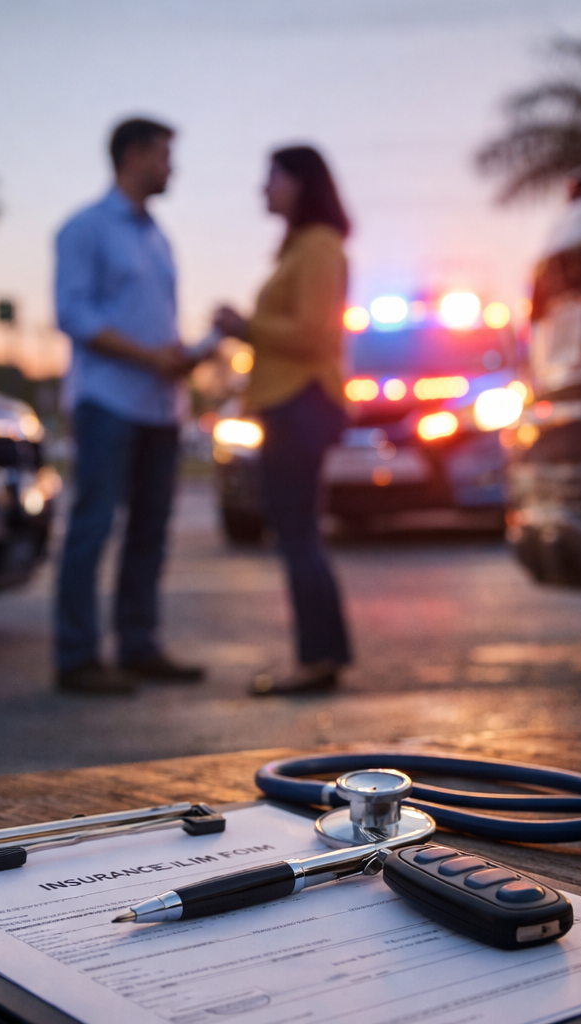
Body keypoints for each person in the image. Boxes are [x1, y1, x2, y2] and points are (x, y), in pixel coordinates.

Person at [52, 117, 206, 694]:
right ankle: (77, 656)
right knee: (92, 525)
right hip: (108, 402)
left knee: (150, 530)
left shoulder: (156, 236)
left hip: (160, 407)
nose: (173, 167)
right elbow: (75, 315)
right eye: (166, 155)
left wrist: (179, 356)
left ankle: (139, 644)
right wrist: (147, 356)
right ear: (134, 155)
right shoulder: (86, 229)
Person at [214, 145, 354, 695]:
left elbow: (315, 333)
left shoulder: (319, 248)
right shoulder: (300, 249)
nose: (263, 189)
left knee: (297, 534)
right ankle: (321, 655)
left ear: (301, 183)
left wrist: (246, 326)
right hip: (290, 402)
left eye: (271, 177)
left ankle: (316, 660)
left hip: (302, 401)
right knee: (298, 533)